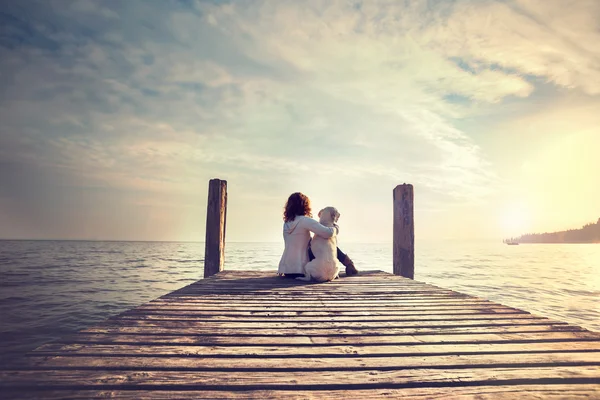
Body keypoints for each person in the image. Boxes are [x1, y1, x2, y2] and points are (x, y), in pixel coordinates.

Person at [278, 192, 358, 278]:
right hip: (301, 269)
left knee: (315, 242)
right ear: (304, 206)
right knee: (327, 242)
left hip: (287, 270)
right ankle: (349, 264)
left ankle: (348, 264)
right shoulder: (305, 220)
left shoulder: (286, 223)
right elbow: (328, 233)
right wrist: (335, 226)